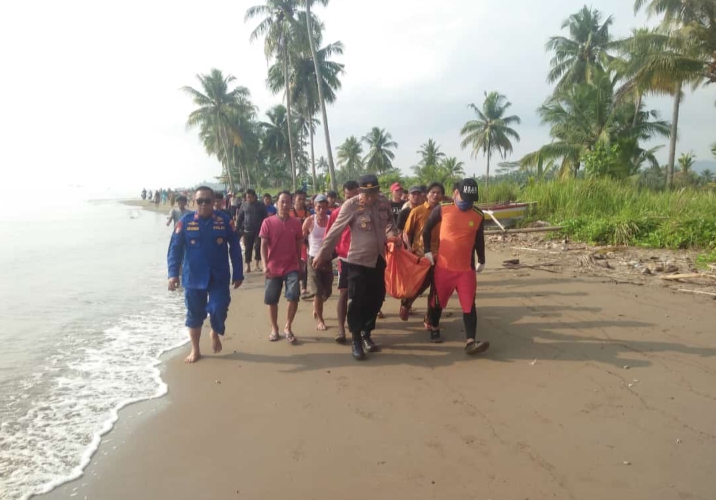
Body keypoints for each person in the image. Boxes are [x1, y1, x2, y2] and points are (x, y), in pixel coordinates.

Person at [314, 174, 398, 361]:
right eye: (366, 194)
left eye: (373, 193)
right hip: (357, 261)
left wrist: (393, 235)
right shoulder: (350, 205)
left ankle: (367, 332)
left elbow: (390, 223)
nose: (370, 198)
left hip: (378, 258)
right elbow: (335, 231)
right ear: (360, 192)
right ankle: (356, 339)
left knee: (377, 298)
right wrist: (322, 254)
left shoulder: (383, 202)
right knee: (357, 300)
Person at [167, 186, 243, 363]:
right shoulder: (185, 222)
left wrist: (238, 272)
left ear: (213, 202)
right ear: (194, 202)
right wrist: (172, 274)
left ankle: (215, 332)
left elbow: (235, 247)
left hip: (219, 276)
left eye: (207, 201)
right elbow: (174, 249)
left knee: (219, 308)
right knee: (194, 314)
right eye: (199, 201)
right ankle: (195, 350)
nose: (203, 204)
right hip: (193, 277)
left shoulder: (224, 221)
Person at [422, 179, 489, 354]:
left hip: (466, 270)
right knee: (437, 302)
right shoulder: (442, 209)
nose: (468, 203)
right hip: (443, 268)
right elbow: (426, 229)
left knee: (469, 304)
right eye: (465, 198)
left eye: (471, 200)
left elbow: (479, 239)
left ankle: (470, 341)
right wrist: (427, 250)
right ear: (455, 193)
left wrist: (482, 259)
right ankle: (434, 327)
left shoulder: (478, 214)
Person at [260, 191, 303, 344]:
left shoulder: (296, 223)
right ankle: (274, 328)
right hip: (273, 268)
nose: (285, 205)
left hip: (291, 267)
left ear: (291, 204)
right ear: (276, 203)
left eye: (288, 202)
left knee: (293, 296)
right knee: (271, 300)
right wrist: (264, 265)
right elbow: (263, 246)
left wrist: (300, 264)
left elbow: (299, 245)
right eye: (282, 202)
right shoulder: (268, 222)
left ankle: (288, 327)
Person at [400, 182, 445, 328]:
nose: (435, 195)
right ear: (427, 194)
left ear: (442, 195)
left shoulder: (446, 212)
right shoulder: (417, 211)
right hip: (420, 255)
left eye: (439, 193)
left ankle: (429, 319)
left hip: (440, 256)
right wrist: (408, 250)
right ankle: (406, 302)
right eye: (433, 192)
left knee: (436, 289)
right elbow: (406, 233)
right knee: (420, 285)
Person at [325, 180, 359, 343]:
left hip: (362, 258)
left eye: (354, 197)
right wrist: (324, 256)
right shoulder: (337, 213)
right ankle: (341, 328)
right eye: (347, 197)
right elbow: (329, 236)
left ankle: (360, 329)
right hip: (344, 258)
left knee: (360, 295)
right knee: (343, 292)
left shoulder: (366, 211)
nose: (350, 200)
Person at [303, 194, 333, 332]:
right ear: (314, 207)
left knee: (327, 291)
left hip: (327, 259)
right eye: (318, 207)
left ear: (327, 207)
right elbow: (301, 238)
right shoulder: (309, 221)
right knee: (317, 292)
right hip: (313, 259)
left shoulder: (331, 220)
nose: (321, 210)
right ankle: (320, 320)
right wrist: (305, 252)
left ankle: (316, 304)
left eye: (324, 207)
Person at [237, 189, 268, 273]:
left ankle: (257, 264)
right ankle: (248, 265)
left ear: (255, 196)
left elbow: (265, 218)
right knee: (248, 247)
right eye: (247, 197)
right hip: (247, 229)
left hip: (259, 230)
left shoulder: (261, 205)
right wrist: (238, 228)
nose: (249, 199)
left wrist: (266, 228)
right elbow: (240, 217)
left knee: (258, 246)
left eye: (250, 197)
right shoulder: (244, 205)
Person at [289, 190, 310, 298]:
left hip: (304, 244)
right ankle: (293, 286)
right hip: (291, 244)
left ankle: (304, 287)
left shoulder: (308, 213)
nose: (301, 201)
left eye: (303, 199)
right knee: (293, 265)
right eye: (299, 199)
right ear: (294, 199)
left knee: (304, 265)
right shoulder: (289, 212)